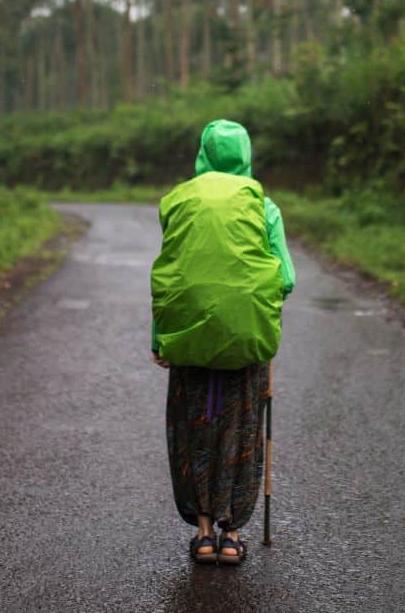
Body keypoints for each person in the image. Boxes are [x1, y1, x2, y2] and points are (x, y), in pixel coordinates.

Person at [150, 119, 296, 565]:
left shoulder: (179, 202)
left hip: (189, 340)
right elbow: (285, 279)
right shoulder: (263, 207)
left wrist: (162, 339)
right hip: (245, 340)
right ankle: (233, 535)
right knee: (241, 427)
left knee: (196, 426)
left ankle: (204, 532)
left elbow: (171, 276)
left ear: (203, 155)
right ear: (246, 155)